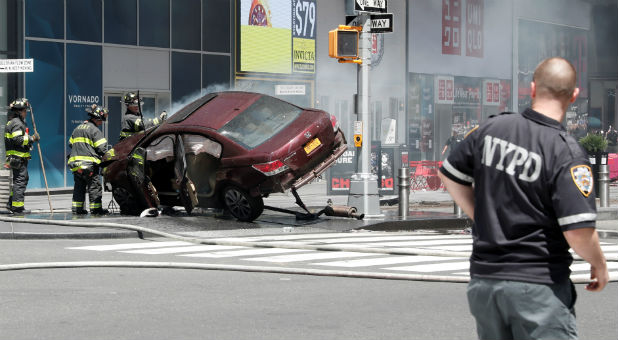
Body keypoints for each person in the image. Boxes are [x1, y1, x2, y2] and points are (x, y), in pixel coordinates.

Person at [438, 57, 609, 340]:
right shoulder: (565, 152)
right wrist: (599, 263)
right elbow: (578, 232)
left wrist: (480, 214)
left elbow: (449, 174)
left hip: (485, 282)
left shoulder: (492, 129)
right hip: (538, 283)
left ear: (532, 89)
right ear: (574, 95)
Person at [67, 104, 109, 215]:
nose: (101, 123)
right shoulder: (94, 130)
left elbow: (70, 144)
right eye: (101, 120)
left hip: (76, 165)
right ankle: (96, 210)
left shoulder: (77, 128)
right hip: (90, 166)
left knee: (79, 187)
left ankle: (77, 210)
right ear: (97, 118)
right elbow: (102, 149)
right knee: (94, 187)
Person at [4, 98, 39, 214]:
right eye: (24, 111)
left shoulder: (15, 122)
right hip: (18, 158)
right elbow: (18, 139)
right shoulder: (17, 123)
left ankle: (11, 203)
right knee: (20, 181)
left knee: (21, 180)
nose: (26, 113)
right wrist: (31, 138)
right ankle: (17, 208)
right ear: (19, 112)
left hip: (17, 158)